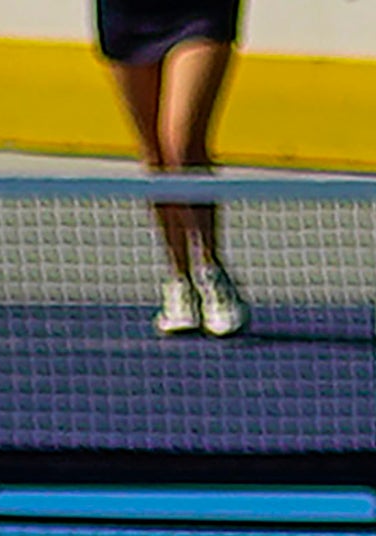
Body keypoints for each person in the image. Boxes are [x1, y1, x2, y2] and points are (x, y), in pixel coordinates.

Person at [95, 0, 248, 336]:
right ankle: (178, 278)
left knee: (182, 146)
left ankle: (210, 269)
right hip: (126, 15)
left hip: (199, 12)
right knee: (156, 156)